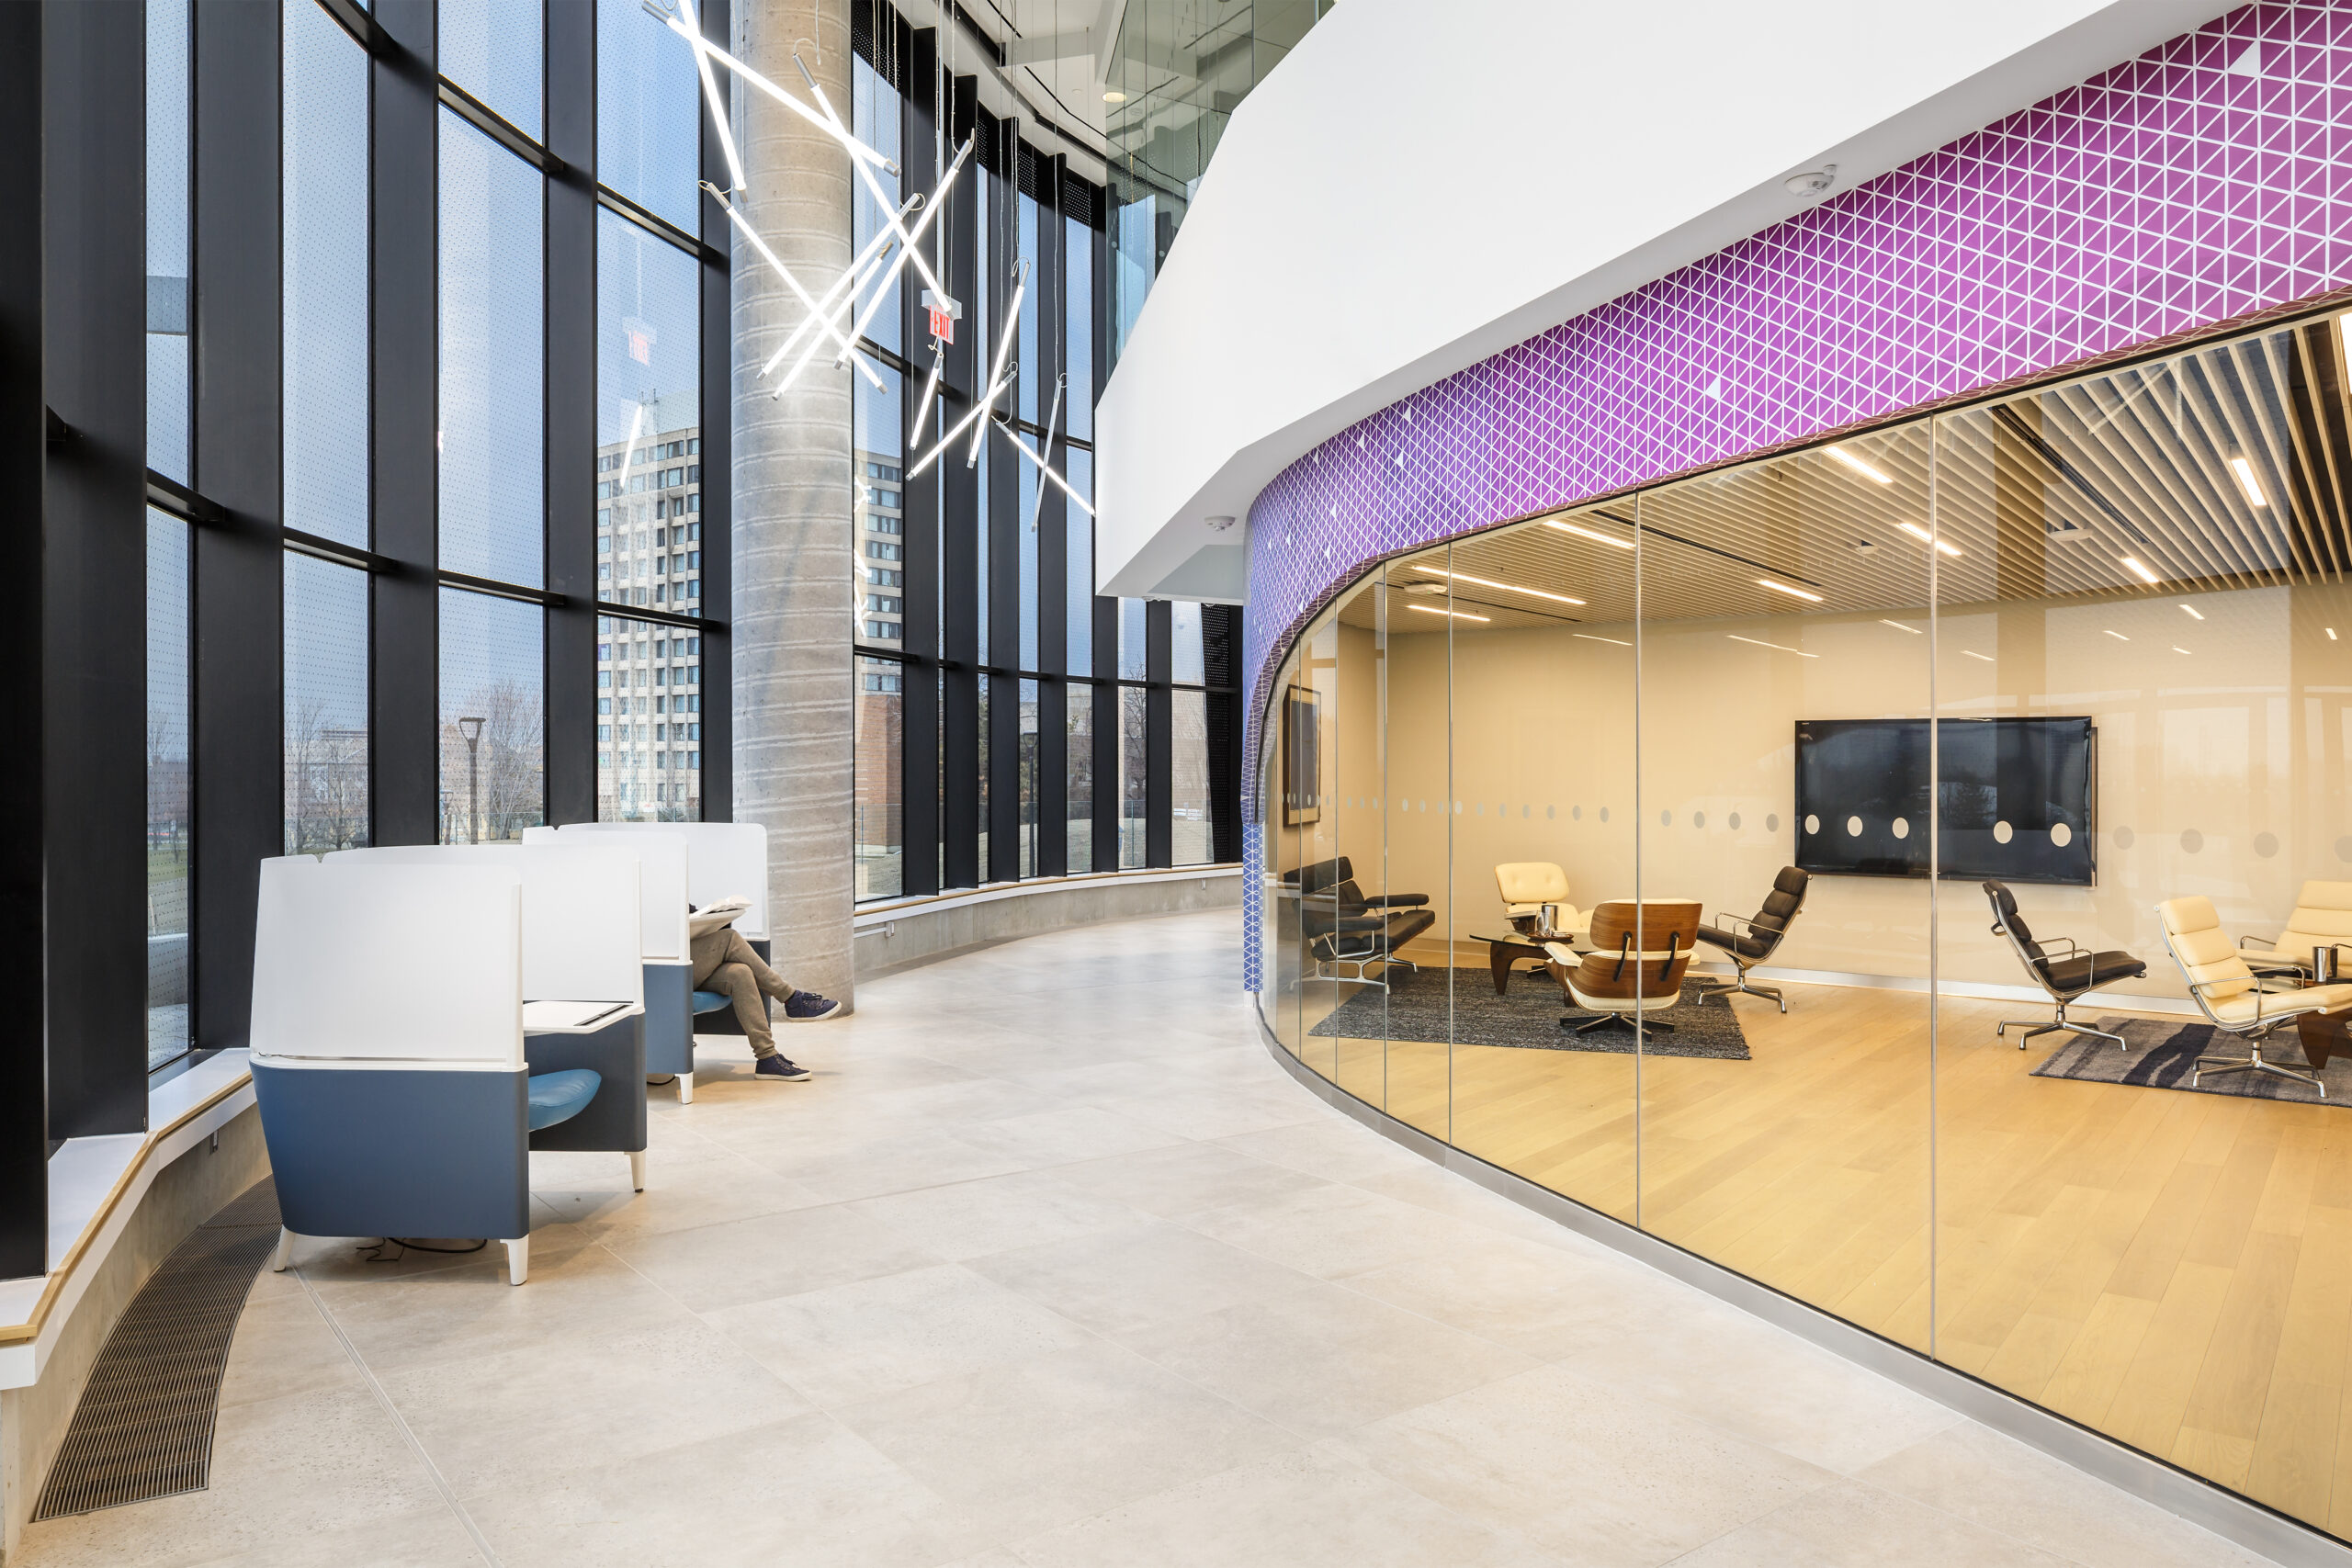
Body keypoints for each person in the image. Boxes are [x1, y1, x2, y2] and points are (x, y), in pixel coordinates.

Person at [690, 922, 840, 1081]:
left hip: (686, 960)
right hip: (666, 966)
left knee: (740, 973)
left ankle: (767, 1057)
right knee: (729, 937)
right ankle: (791, 998)